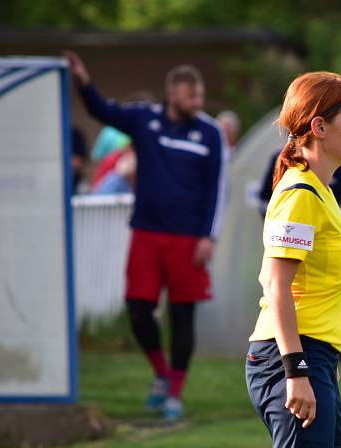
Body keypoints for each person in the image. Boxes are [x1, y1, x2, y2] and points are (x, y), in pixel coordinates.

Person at [65, 51, 228, 421]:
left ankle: (174, 394)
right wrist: (83, 81)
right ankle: (160, 372)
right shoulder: (144, 119)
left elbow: (219, 188)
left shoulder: (210, 134)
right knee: (138, 309)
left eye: (200, 97)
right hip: (147, 232)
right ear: (172, 94)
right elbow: (102, 111)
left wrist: (210, 236)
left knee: (182, 316)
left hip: (189, 239)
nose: (198, 104)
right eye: (192, 97)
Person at [246, 71, 341, 448]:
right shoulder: (298, 195)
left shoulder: (322, 192)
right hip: (289, 359)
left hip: (314, 356)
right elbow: (275, 287)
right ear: (319, 127)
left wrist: (321, 367)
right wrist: (297, 372)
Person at [256, 150, 341, 219]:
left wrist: (328, 221)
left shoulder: (340, 160)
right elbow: (264, 198)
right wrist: (282, 221)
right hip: (290, 239)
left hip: (328, 239)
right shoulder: (280, 158)